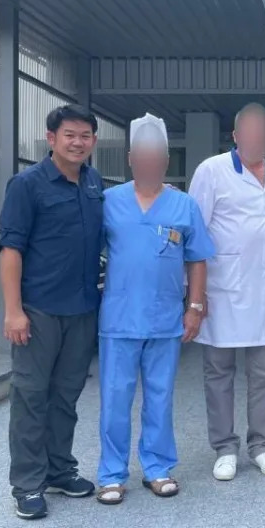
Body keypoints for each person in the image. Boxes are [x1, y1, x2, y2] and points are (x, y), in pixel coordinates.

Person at [96, 114, 214, 505]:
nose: (149, 162)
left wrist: (195, 306)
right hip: (119, 319)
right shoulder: (108, 202)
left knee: (160, 397)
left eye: (157, 156)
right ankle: (112, 473)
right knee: (115, 398)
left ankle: (157, 468)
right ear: (131, 159)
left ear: (166, 160)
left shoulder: (183, 205)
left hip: (166, 319)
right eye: (142, 156)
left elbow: (197, 259)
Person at [0, 104, 104, 521]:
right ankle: (27, 484)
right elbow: (11, 249)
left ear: (93, 141)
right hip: (38, 311)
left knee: (66, 397)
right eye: (70, 135)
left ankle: (60, 470)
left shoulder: (94, 183)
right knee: (30, 397)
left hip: (81, 310)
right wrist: (13, 311)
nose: (78, 142)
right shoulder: (27, 185)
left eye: (85, 136)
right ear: (51, 139)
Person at [188, 103, 265, 481]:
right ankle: (225, 448)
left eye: (262, 132)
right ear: (235, 136)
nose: (255, 139)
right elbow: (194, 233)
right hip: (222, 289)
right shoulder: (211, 171)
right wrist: (194, 295)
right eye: (248, 132)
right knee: (219, 372)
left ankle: (262, 445)